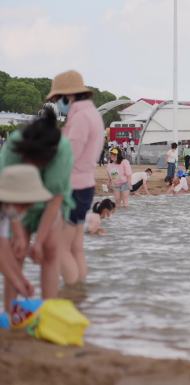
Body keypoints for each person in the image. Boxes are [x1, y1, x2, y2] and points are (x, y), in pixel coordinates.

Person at [0, 108, 74, 310]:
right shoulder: (15, 146)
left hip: (48, 203)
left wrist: (39, 242)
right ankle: (11, 313)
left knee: (50, 248)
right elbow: (7, 198)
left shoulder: (62, 150)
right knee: (16, 249)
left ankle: (47, 313)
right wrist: (17, 231)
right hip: (12, 201)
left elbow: (54, 200)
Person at [46, 70, 106, 286]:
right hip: (85, 186)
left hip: (73, 187)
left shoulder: (80, 117)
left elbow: (69, 156)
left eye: (56, 99)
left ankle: (72, 295)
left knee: (59, 248)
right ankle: (81, 297)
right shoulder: (91, 114)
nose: (56, 103)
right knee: (75, 247)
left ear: (67, 96)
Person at [0, 165, 53, 304]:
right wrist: (17, 282)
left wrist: (21, 279)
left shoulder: (7, 210)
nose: (26, 209)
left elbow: (3, 246)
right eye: (24, 204)